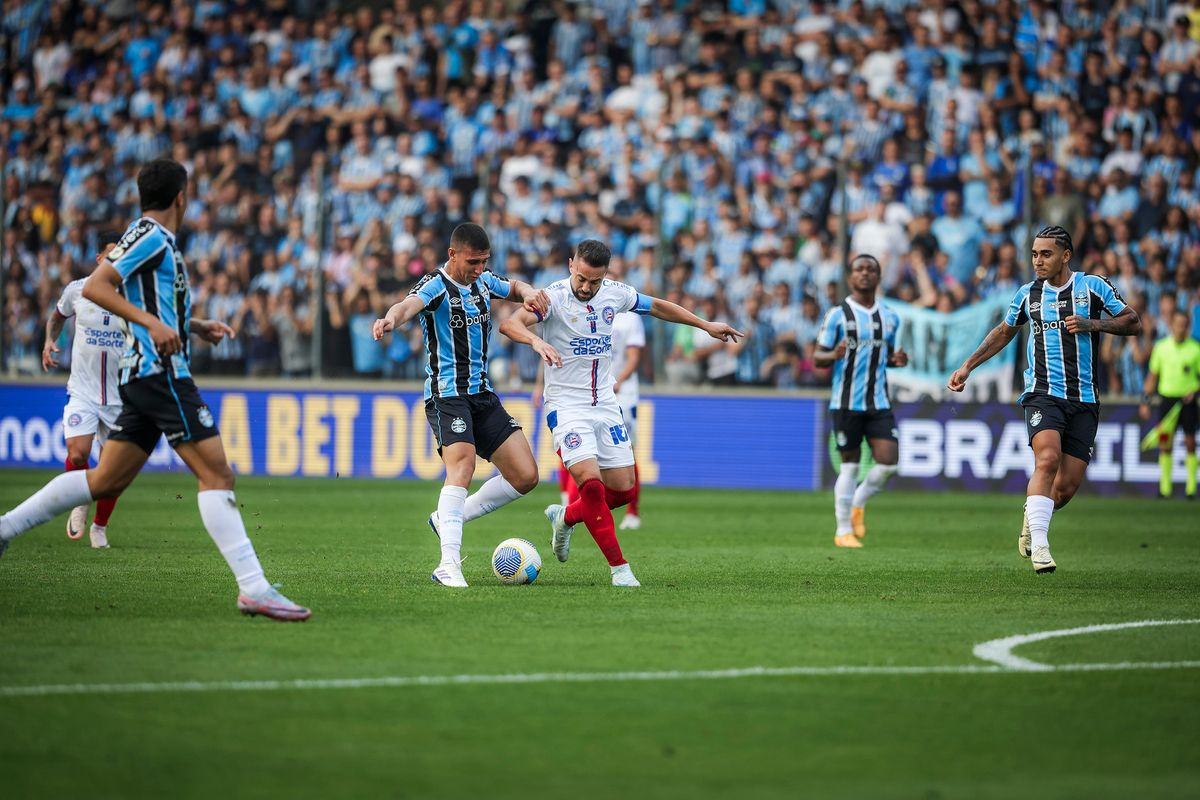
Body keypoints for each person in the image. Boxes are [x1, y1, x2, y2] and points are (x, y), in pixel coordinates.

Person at [1, 158, 311, 622]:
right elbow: (98, 289)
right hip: (161, 373)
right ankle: (254, 588)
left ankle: (5, 529)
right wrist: (150, 324)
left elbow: (149, 299)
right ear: (181, 198)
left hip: (140, 376)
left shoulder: (142, 236)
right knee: (218, 474)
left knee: (104, 480)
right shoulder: (151, 237)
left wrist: (194, 323)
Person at [500, 240, 742, 587]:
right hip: (567, 406)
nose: (586, 287)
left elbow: (657, 306)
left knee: (625, 490)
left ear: (605, 276)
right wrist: (536, 341)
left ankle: (566, 517)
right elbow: (510, 324)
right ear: (571, 265)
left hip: (606, 402)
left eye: (593, 282)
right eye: (581, 278)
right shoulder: (551, 298)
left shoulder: (614, 294)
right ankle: (620, 569)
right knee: (593, 486)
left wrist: (705, 325)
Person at [948, 226, 1141, 573]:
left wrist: (1093, 325)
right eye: (1035, 254)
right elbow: (1004, 332)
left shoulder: (1093, 286)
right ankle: (1041, 546)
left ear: (1065, 256)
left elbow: (1133, 322)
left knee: (1064, 489)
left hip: (1083, 398)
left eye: (1046, 254)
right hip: (1042, 393)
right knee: (1047, 459)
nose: (1038, 261)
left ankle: (1031, 515)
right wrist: (968, 366)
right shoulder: (1028, 294)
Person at [372, 223, 550, 588]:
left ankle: (447, 518)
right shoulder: (435, 285)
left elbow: (513, 287)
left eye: (485, 261)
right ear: (453, 255)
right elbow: (407, 306)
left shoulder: (483, 281)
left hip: (482, 394)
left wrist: (529, 290)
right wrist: (390, 319)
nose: (480, 269)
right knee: (463, 466)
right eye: (473, 262)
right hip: (447, 395)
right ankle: (448, 563)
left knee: (526, 475)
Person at [813, 254, 908, 549]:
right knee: (850, 467)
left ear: (878, 277)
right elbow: (818, 356)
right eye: (859, 269)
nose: (865, 274)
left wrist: (896, 360)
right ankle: (843, 531)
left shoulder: (890, 317)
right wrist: (834, 354)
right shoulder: (837, 315)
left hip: (878, 401)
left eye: (871, 270)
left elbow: (886, 356)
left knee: (889, 463)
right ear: (850, 276)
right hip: (845, 402)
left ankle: (858, 502)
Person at [42, 232, 124, 548]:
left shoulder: (131, 295)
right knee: (78, 455)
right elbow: (57, 316)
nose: (117, 261)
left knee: (113, 471)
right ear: (99, 259)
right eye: (111, 255)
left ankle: (99, 527)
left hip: (120, 397)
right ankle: (80, 500)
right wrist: (50, 340)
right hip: (83, 391)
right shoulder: (78, 290)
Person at [1140, 309, 1200, 499]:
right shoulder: (1161, 347)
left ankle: (1191, 488)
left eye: (1184, 324)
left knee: (1190, 442)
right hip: (1167, 400)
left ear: (1188, 326)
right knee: (1166, 444)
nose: (1181, 328)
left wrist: (1195, 390)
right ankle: (1165, 488)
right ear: (1172, 325)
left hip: (1188, 401)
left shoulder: (1195, 349)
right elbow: (1152, 376)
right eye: (1178, 324)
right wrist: (1145, 401)